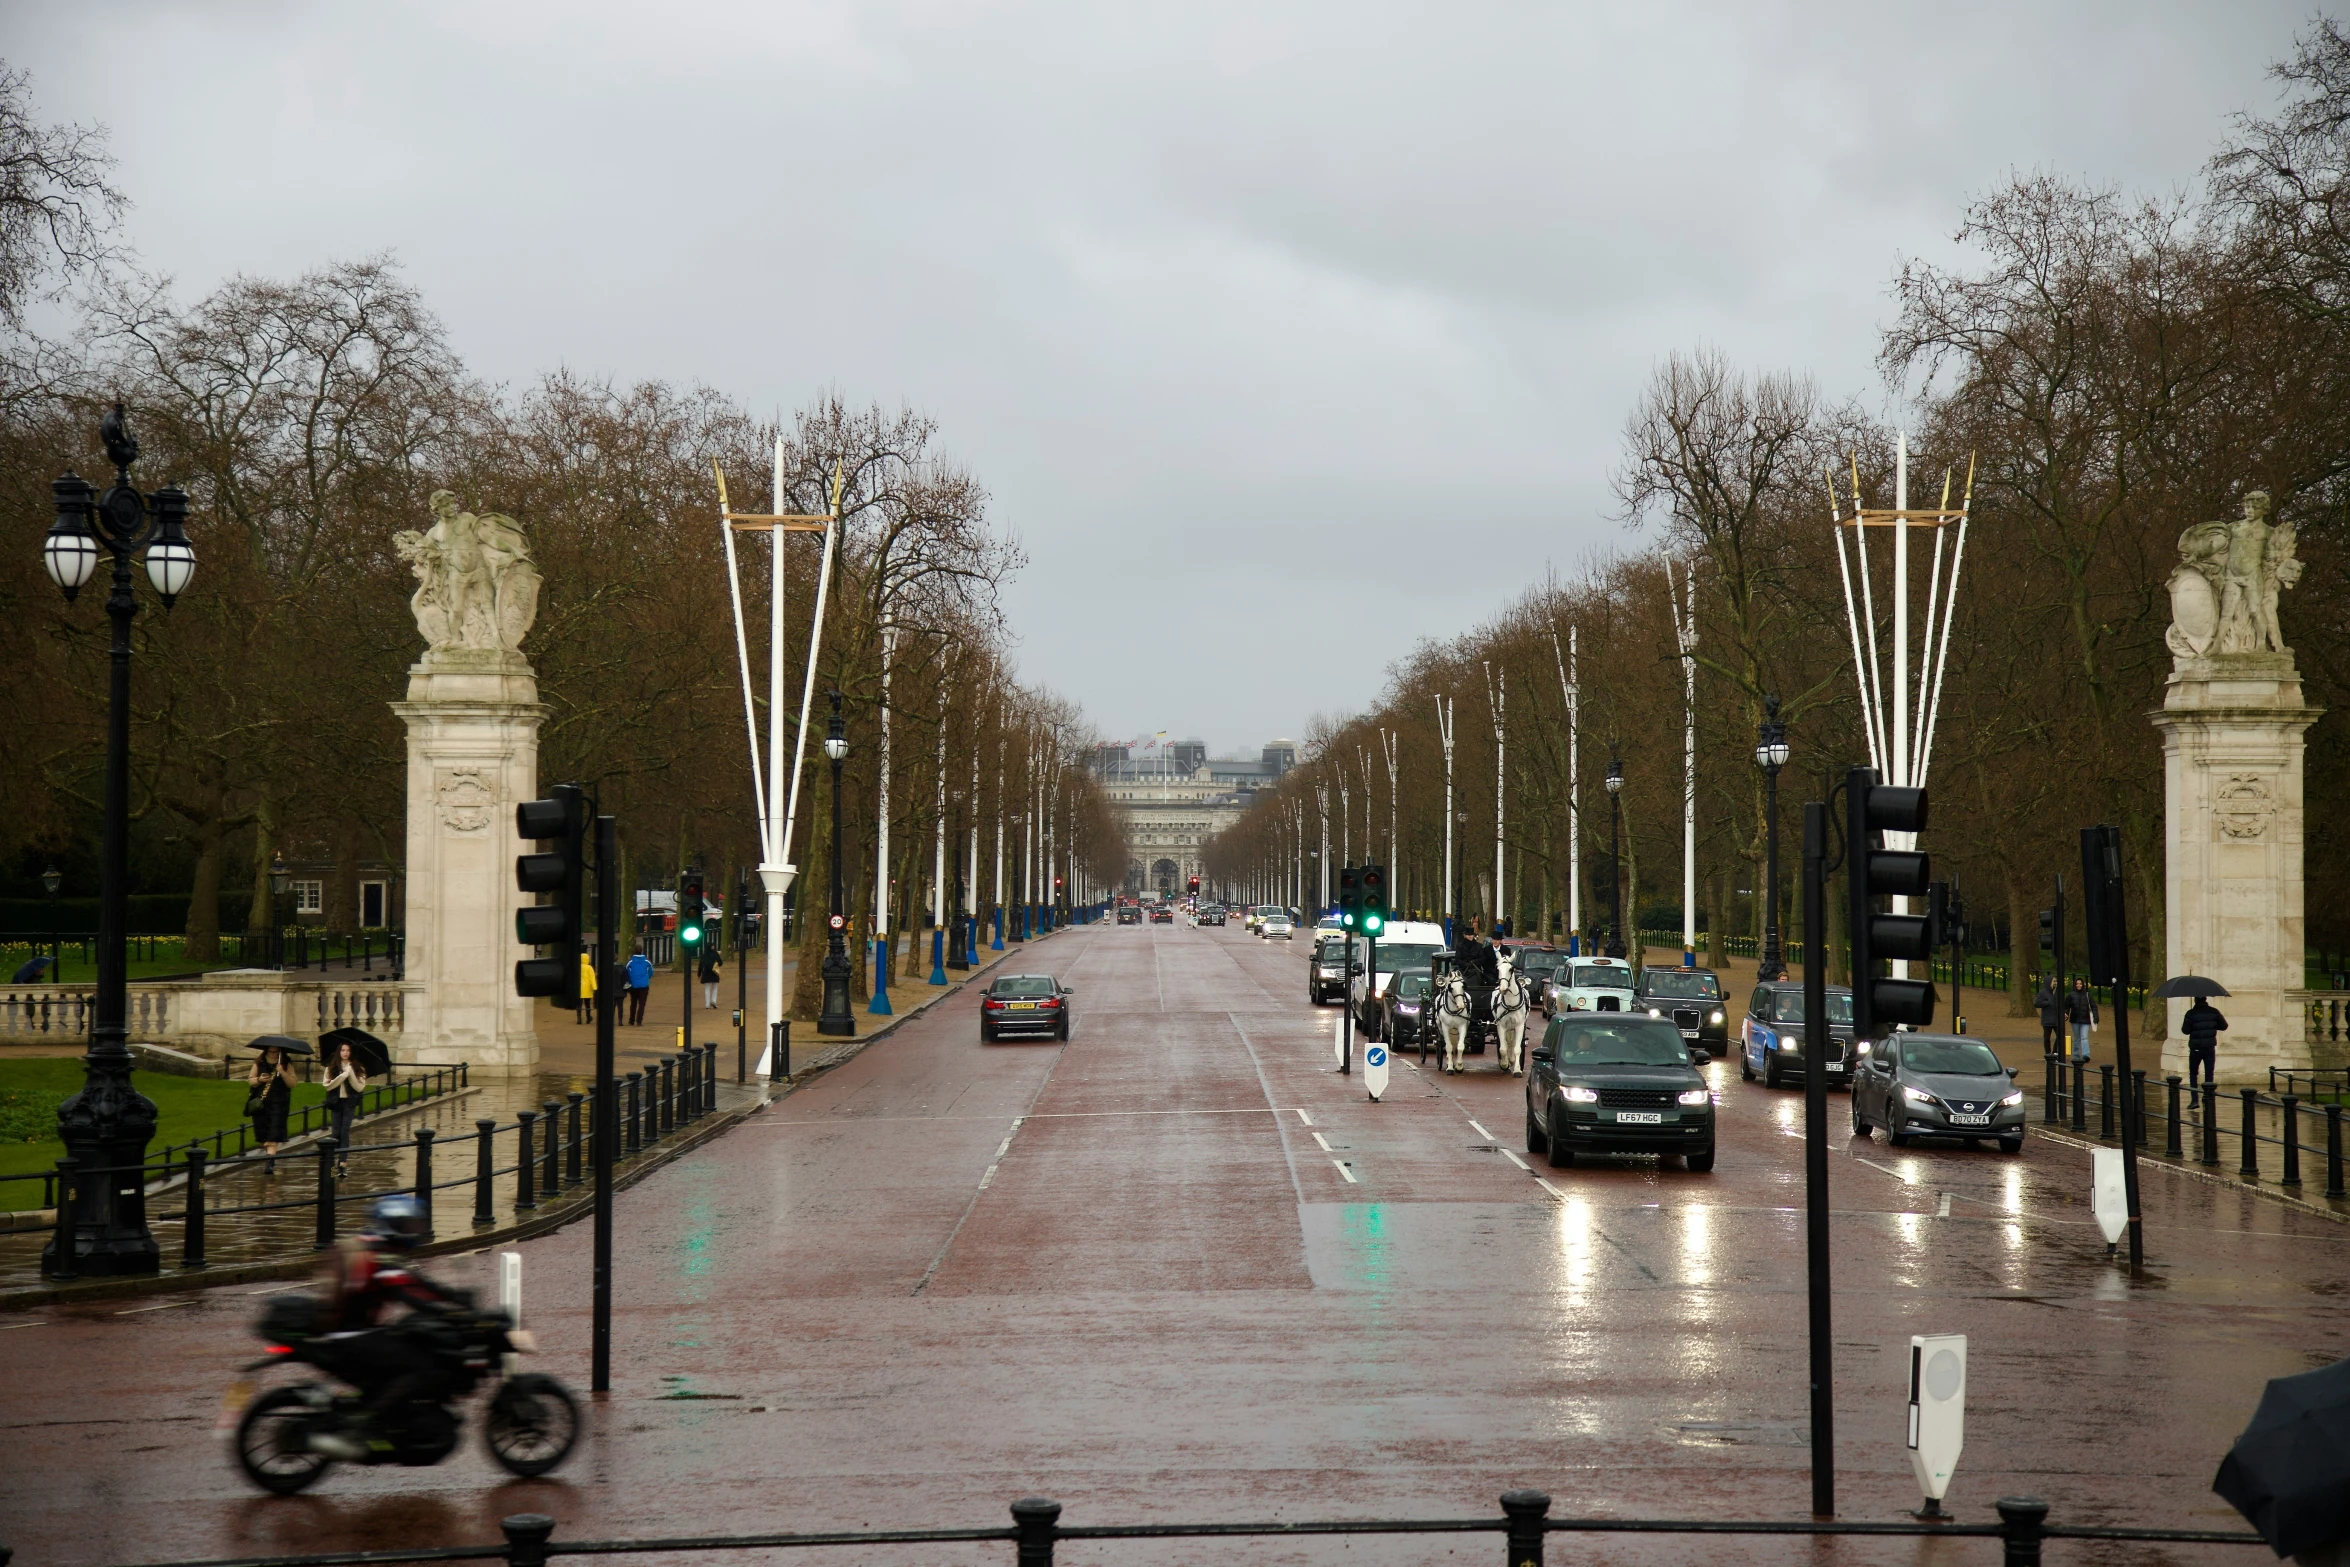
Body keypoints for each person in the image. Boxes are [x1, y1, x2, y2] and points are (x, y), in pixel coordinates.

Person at [307, 1194, 473, 1460]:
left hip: (353, 1330)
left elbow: (414, 1281)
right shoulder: (380, 1257)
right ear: (392, 1226)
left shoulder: (374, 1247)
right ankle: (364, 1424)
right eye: (408, 1225)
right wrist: (453, 1311)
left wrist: (452, 1296)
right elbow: (412, 1295)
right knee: (420, 1365)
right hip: (351, 1335)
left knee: (403, 1342)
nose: (413, 1231)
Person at [321, 1042, 367, 1177]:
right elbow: (327, 1086)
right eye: (343, 1050)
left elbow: (359, 1088)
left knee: (344, 1130)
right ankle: (331, 1159)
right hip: (336, 1102)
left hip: (349, 1102)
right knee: (335, 1132)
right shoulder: (331, 1067)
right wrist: (342, 1076)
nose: (345, 1053)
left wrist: (350, 1073)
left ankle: (342, 1163)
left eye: (348, 1050)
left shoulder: (358, 1068)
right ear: (338, 1052)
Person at [247, 1045, 295, 1174]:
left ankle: (269, 1163)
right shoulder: (259, 1062)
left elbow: (293, 1083)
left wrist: (283, 1072)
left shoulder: (285, 1063)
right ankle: (268, 1153)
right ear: (266, 1051)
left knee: (273, 1134)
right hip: (262, 1103)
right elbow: (250, 1081)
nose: (273, 1054)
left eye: (276, 1052)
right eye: (271, 1052)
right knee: (263, 1135)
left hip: (279, 1103)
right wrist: (259, 1079)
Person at [2183, 994, 2229, 1088]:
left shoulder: (2191, 1013)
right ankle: (2208, 1098)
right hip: (2209, 1047)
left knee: (2193, 1073)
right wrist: (2212, 1026)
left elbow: (2185, 1031)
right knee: (2209, 1074)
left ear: (2195, 1000)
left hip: (2196, 1048)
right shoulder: (2214, 1012)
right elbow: (2224, 1026)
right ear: (2205, 999)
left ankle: (2194, 1099)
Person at [2064, 977, 2098, 1064]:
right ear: (2075, 985)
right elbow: (2066, 1006)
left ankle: (2086, 1054)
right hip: (2075, 1019)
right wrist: (2066, 1013)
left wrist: (2095, 1016)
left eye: (2080, 983)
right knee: (2076, 1038)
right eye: (2077, 984)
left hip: (2085, 1019)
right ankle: (2076, 1055)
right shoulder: (2071, 995)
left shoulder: (2087, 995)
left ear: (2083, 985)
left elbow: (2093, 1006)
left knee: (2084, 1037)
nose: (2079, 985)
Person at [2034, 977, 2063, 1054]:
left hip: (2057, 1018)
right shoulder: (2042, 993)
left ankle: (2055, 1052)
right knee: (2047, 1038)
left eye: (2056, 981)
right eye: (2054, 981)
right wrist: (2047, 1003)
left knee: (2060, 1035)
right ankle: (2048, 1054)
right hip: (2047, 1019)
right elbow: (2036, 1003)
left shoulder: (2058, 993)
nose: (2055, 983)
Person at [626, 947, 653, 1025]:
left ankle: (631, 1020)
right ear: (642, 951)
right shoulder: (647, 961)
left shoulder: (630, 962)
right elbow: (651, 972)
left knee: (633, 1002)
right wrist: (646, 979)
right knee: (642, 1004)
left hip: (633, 985)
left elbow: (626, 972)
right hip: (644, 985)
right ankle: (639, 1021)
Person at [575, 946, 596, 1025]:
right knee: (587, 1004)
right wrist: (595, 987)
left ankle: (579, 1019)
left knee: (579, 1005)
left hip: (579, 988)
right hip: (587, 988)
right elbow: (592, 978)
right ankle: (588, 1017)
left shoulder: (577, 967)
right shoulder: (589, 968)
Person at [700, 945, 722, 1009]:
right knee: (714, 987)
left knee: (707, 988)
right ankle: (713, 1001)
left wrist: (699, 974)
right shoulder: (715, 954)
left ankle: (707, 1004)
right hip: (714, 972)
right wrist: (717, 965)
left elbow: (701, 965)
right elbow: (720, 962)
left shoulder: (704, 955)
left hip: (706, 973)